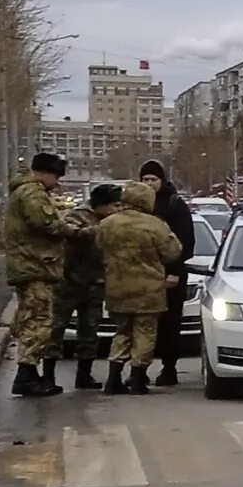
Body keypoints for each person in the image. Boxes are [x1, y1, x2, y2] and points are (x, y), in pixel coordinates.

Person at [94, 178, 183, 393]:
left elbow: (98, 247)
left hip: (117, 287)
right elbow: (173, 251)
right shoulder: (154, 225)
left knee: (122, 332)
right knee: (145, 333)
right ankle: (137, 378)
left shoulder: (108, 223)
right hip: (148, 289)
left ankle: (113, 378)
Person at [3, 152, 72, 398]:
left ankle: (30, 374)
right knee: (39, 320)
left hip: (30, 265)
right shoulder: (33, 193)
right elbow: (45, 224)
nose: (58, 182)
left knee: (33, 317)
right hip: (35, 266)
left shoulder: (24, 191)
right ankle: (26, 374)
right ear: (46, 173)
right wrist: (68, 229)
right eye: (56, 176)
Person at [139, 159, 199, 388]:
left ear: (161, 181)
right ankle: (139, 370)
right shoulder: (137, 206)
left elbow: (184, 243)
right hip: (142, 274)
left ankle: (169, 369)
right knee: (142, 324)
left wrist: (173, 271)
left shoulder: (174, 205)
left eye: (153, 179)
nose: (149, 183)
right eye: (145, 179)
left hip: (169, 275)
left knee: (170, 324)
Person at [59, 183, 119, 390]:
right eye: (113, 205)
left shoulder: (112, 220)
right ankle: (47, 375)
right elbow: (71, 233)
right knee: (56, 329)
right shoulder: (78, 215)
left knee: (90, 332)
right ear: (100, 205)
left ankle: (84, 375)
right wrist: (100, 229)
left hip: (95, 283)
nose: (116, 210)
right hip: (69, 282)